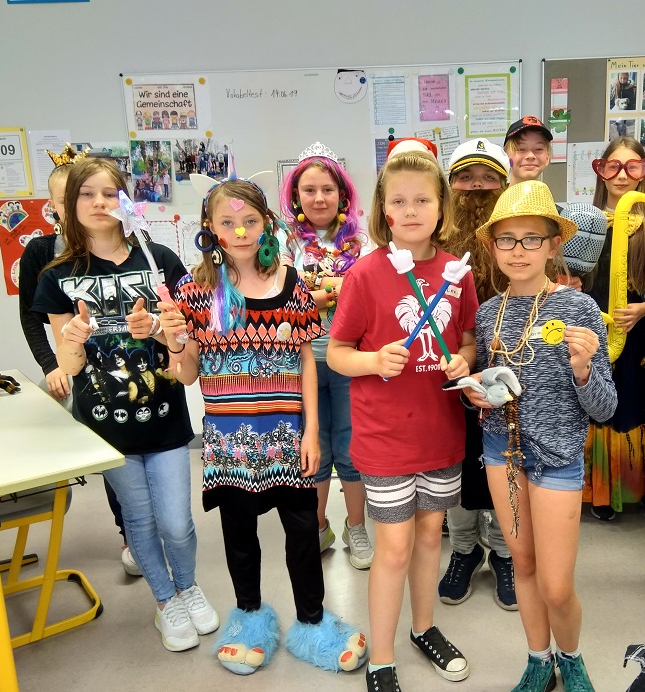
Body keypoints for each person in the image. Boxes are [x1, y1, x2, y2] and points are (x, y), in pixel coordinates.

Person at [158, 167, 368, 676]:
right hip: (229, 446)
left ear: (267, 223)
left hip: (287, 438)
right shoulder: (193, 293)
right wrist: (172, 340)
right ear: (209, 227)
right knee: (239, 538)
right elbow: (186, 374)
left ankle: (313, 621)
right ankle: (249, 617)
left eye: (250, 221)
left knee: (303, 533)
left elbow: (306, 360)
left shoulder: (290, 284)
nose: (240, 232)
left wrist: (312, 431)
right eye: (227, 223)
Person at [32, 157, 217, 652]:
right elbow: (70, 366)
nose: (99, 203)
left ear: (126, 201)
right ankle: (166, 601)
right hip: (106, 425)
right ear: (69, 205)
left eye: (109, 193)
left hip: (165, 417)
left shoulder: (160, 262)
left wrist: (158, 329)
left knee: (176, 523)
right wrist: (72, 339)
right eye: (86, 194)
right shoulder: (58, 277)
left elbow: (184, 351)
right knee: (139, 521)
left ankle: (188, 586)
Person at [327, 142, 478, 692]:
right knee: (393, 549)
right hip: (385, 439)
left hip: (440, 433)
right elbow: (337, 352)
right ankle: (382, 658)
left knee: (432, 536)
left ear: (441, 207)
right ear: (383, 209)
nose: (411, 210)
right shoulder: (365, 274)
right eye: (399, 201)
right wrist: (372, 361)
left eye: (422, 200)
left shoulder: (458, 273)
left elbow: (467, 337)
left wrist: (464, 359)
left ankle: (424, 627)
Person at [470, 180, 616, 692]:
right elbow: (489, 389)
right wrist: (475, 395)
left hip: (557, 458)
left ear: (554, 245)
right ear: (493, 247)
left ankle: (570, 658)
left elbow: (605, 408)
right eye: (507, 239)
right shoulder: (487, 314)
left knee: (556, 585)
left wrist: (583, 369)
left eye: (531, 238)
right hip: (502, 454)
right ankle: (538, 659)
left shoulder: (579, 310)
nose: (518, 250)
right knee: (524, 565)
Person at [19, 145, 139, 577]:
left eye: (101, 195)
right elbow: (32, 317)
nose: (93, 204)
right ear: (58, 204)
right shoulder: (43, 254)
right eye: (72, 197)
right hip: (73, 367)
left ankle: (140, 529)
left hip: (126, 367)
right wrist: (51, 365)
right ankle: (129, 529)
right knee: (109, 452)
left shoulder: (129, 249)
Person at [280, 141, 374, 570]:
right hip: (302, 360)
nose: (319, 198)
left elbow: (369, 295)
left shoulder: (362, 242)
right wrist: (330, 291)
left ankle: (357, 526)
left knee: (351, 446)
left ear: (343, 194)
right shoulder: (281, 243)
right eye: (309, 190)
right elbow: (280, 298)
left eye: (327, 190)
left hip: (351, 357)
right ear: (296, 195)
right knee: (313, 445)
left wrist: (321, 293)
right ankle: (317, 527)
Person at [438, 137, 518, 611]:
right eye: (466, 177)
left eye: (489, 177)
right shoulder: (435, 241)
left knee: (505, 459)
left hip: (511, 369)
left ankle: (505, 552)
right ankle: (465, 549)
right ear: (451, 185)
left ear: (504, 185)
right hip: (448, 370)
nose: (477, 186)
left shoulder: (517, 239)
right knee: (455, 462)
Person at [582, 138, 645, 521]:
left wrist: (644, 307)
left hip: (632, 331)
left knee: (630, 401)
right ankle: (598, 488)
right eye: (613, 166)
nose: (622, 175)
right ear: (601, 170)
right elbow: (571, 274)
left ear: (644, 172)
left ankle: (636, 483)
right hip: (590, 328)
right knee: (592, 399)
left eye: (632, 166)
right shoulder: (586, 220)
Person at [503, 116, 552, 184]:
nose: (530, 156)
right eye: (521, 149)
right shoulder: (496, 191)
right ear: (506, 156)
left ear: (547, 158)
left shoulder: (550, 191)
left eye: (538, 149)